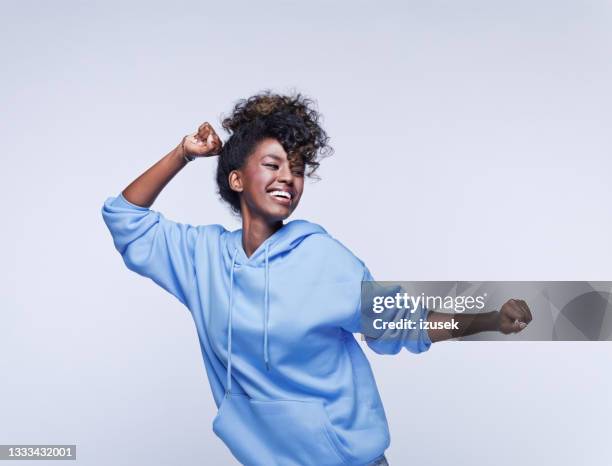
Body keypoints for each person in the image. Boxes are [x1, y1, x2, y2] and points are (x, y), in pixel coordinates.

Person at [101, 92, 532, 466]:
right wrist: (184, 153)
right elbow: (124, 217)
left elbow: (402, 324)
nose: (288, 176)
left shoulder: (323, 259)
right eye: (272, 164)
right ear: (236, 179)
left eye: (298, 168)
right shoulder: (202, 259)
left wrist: (490, 319)